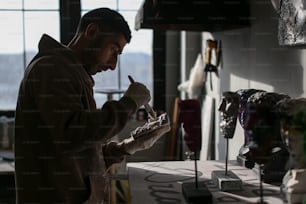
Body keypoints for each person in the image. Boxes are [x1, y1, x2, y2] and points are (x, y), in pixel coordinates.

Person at [14, 8, 170, 204]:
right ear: (91, 31)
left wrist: (128, 146)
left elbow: (82, 156)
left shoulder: (72, 73)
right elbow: (71, 135)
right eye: (113, 50)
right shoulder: (52, 68)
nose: (114, 65)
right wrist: (128, 103)